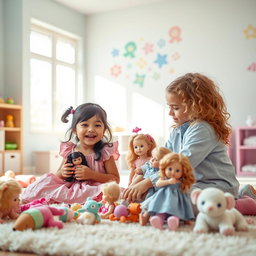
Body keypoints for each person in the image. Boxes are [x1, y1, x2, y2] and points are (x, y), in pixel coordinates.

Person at [123, 72, 256, 215]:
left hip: (217, 187)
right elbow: (161, 159)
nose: (170, 113)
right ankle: (243, 193)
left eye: (175, 108)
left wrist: (148, 182)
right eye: (169, 107)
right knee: (160, 194)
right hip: (193, 184)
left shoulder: (203, 129)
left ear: (197, 107)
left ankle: (245, 204)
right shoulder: (177, 131)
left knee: (176, 204)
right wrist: (141, 175)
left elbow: (183, 163)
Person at [21, 103, 120, 204]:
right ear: (74, 130)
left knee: (115, 193)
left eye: (97, 125)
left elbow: (115, 179)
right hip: (72, 187)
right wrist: (63, 173)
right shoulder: (70, 150)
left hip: (95, 188)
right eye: (85, 125)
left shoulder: (105, 151)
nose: (91, 129)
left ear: (104, 130)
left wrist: (92, 175)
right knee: (43, 185)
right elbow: (57, 175)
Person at [144, 153, 195, 230]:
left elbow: (187, 188)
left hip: (177, 200)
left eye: (177, 170)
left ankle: (174, 220)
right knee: (161, 210)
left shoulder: (181, 181)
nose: (173, 173)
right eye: (170, 169)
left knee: (176, 211)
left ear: (183, 171)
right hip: (163, 197)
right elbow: (158, 184)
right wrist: (168, 182)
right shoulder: (164, 178)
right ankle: (158, 219)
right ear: (165, 168)